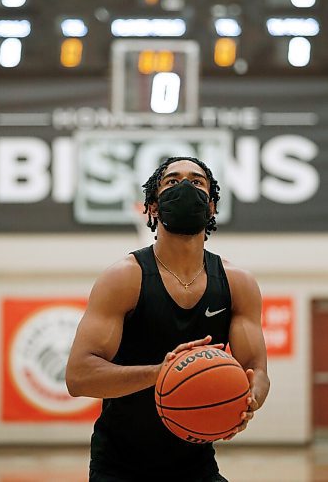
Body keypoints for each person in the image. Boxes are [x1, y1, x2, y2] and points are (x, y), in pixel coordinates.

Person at [66, 156, 270, 482]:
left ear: (212, 207)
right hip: (120, 466)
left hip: (196, 464)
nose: (186, 186)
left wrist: (248, 400)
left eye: (197, 181)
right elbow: (78, 377)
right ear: (153, 207)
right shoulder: (124, 278)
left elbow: (256, 370)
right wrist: (164, 374)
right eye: (172, 182)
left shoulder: (237, 283)